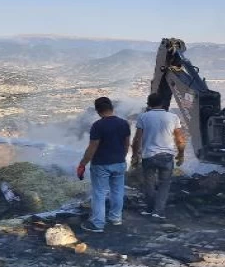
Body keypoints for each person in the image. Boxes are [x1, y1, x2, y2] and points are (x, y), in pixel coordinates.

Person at [77, 97, 131, 233]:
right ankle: (116, 218)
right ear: (111, 107)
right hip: (119, 163)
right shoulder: (124, 123)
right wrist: (122, 157)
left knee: (99, 193)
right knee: (118, 191)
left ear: (97, 110)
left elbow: (92, 147)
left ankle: (98, 224)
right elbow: (126, 144)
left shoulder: (98, 125)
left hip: (101, 164)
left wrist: (82, 164)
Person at [131, 93, 185, 220]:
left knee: (149, 184)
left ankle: (150, 209)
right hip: (166, 156)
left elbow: (137, 139)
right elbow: (179, 139)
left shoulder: (143, 117)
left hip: (149, 155)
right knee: (164, 184)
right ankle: (158, 211)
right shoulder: (173, 117)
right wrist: (181, 154)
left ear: (149, 104)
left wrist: (135, 156)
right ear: (162, 104)